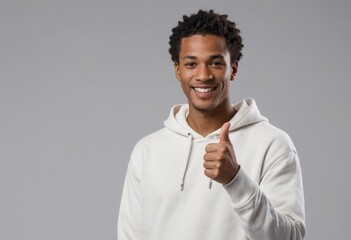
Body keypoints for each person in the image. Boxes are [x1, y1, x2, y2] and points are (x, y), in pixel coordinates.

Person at [118, 9, 306, 240]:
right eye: (191, 64)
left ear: (233, 69)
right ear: (177, 71)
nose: (203, 75)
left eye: (216, 63)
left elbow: (289, 237)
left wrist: (236, 180)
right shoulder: (147, 151)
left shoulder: (273, 144)